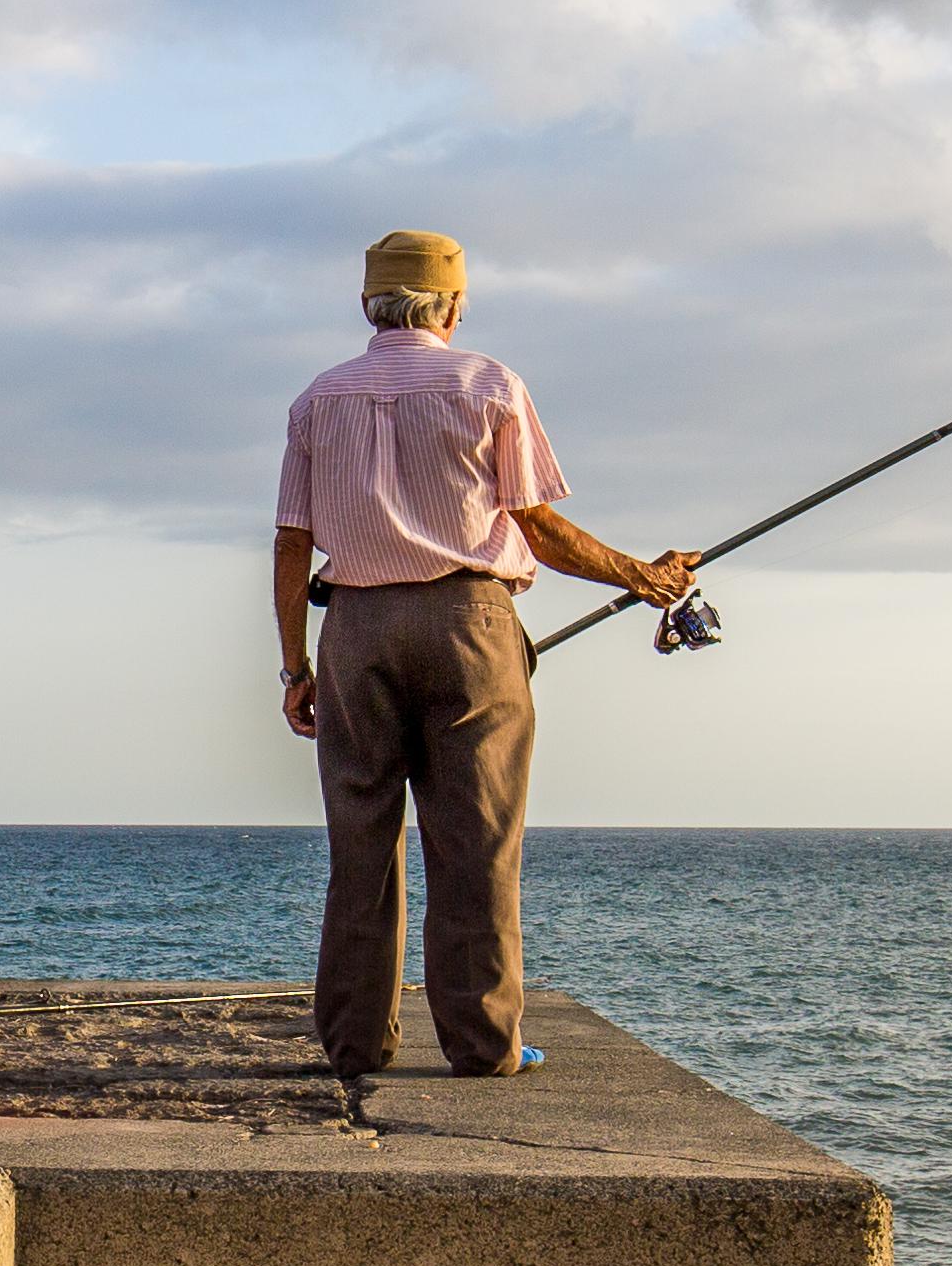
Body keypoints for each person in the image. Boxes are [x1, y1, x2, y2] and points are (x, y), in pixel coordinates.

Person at [271, 228, 698, 1083]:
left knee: (361, 846)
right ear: (455, 305)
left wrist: (295, 667)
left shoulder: (320, 399)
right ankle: (484, 1046)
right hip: (471, 623)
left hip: (354, 628)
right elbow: (538, 526)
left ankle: (356, 1044)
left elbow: (291, 543)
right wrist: (642, 577)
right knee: (477, 845)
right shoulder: (488, 384)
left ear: (368, 304)